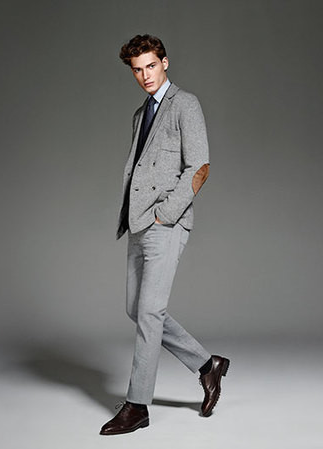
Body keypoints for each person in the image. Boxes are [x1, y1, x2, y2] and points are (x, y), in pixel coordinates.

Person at [100, 34, 230, 436]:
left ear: (165, 63)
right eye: (137, 70)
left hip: (165, 223)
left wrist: (165, 215)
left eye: (151, 66)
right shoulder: (140, 114)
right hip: (138, 222)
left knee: (149, 314)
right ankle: (207, 365)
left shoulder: (185, 104)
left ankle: (137, 405)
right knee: (136, 309)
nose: (145, 75)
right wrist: (135, 217)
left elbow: (200, 167)